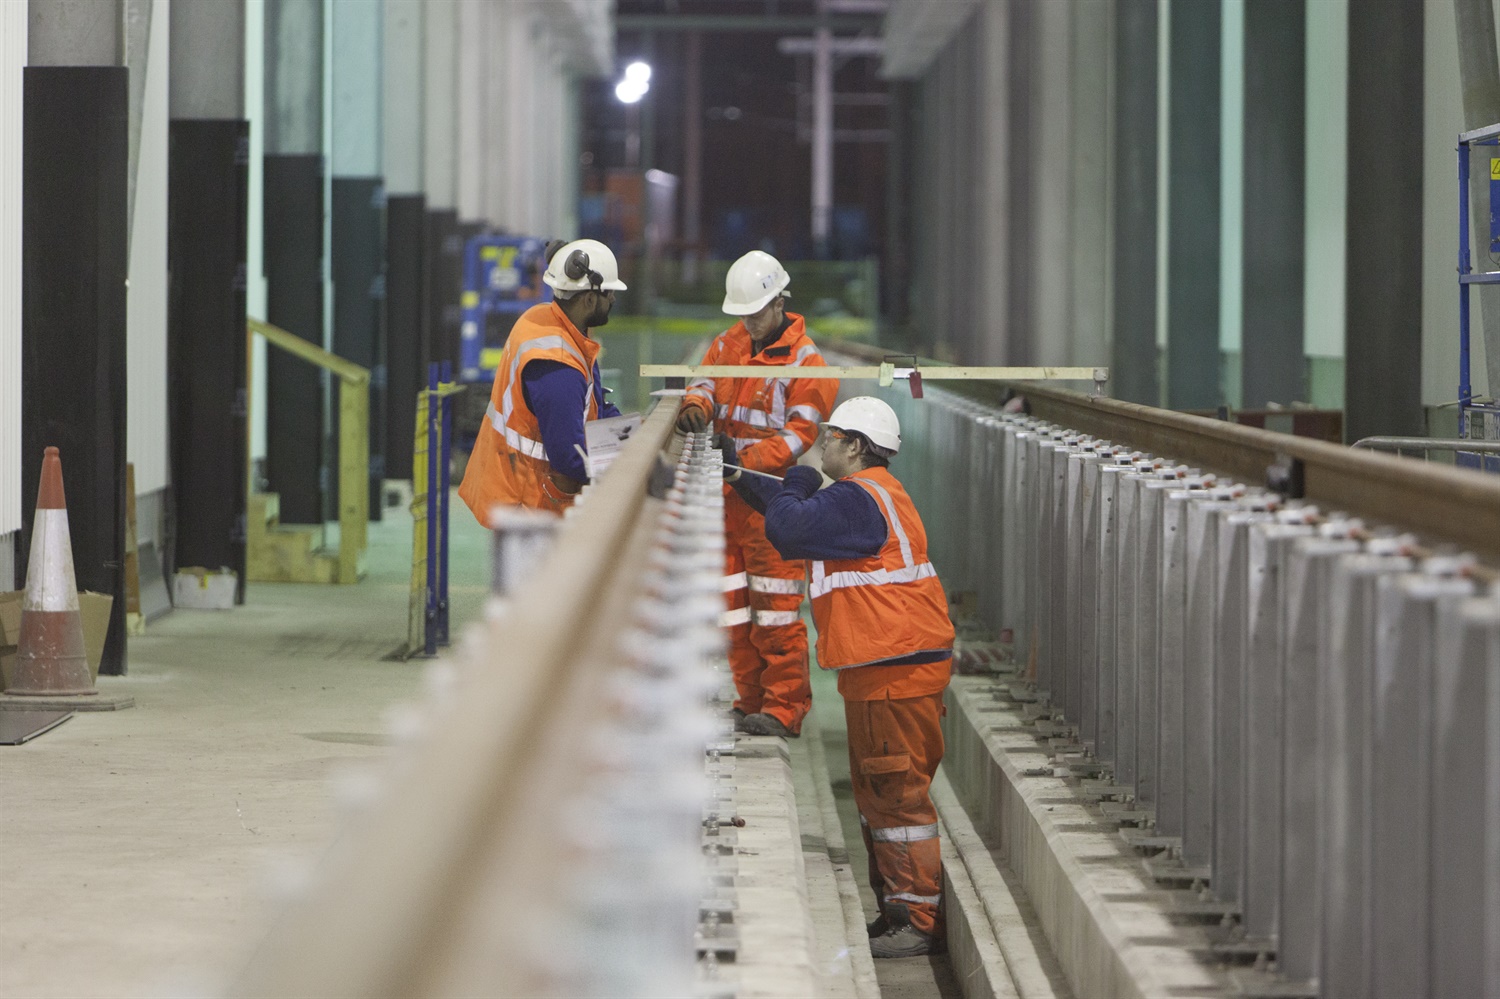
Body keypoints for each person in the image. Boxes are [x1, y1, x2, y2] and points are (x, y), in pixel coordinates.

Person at [724, 396, 955, 959]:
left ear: (854, 446)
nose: (822, 442)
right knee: (882, 795)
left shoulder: (859, 500)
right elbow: (792, 510)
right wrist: (735, 472)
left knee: (896, 797)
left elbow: (790, 528)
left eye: (830, 436)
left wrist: (796, 478)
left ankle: (917, 917)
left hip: (892, 671)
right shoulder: (865, 497)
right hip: (888, 667)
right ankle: (898, 908)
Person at [676, 250, 837, 738]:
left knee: (775, 611)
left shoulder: (807, 361)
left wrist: (745, 463)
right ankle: (750, 701)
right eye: (742, 314)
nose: (748, 322)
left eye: (755, 313)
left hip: (772, 504)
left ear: (779, 302)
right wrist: (694, 406)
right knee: (734, 609)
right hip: (727, 500)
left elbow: (799, 435)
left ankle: (784, 709)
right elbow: (704, 381)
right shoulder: (730, 343)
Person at [458, 239, 625, 522]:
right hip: (529, 500)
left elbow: (596, 403)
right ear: (588, 298)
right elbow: (570, 458)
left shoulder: (546, 320)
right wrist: (630, 467)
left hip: (521, 486)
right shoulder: (557, 365)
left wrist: (631, 434)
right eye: (608, 293)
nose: (613, 300)